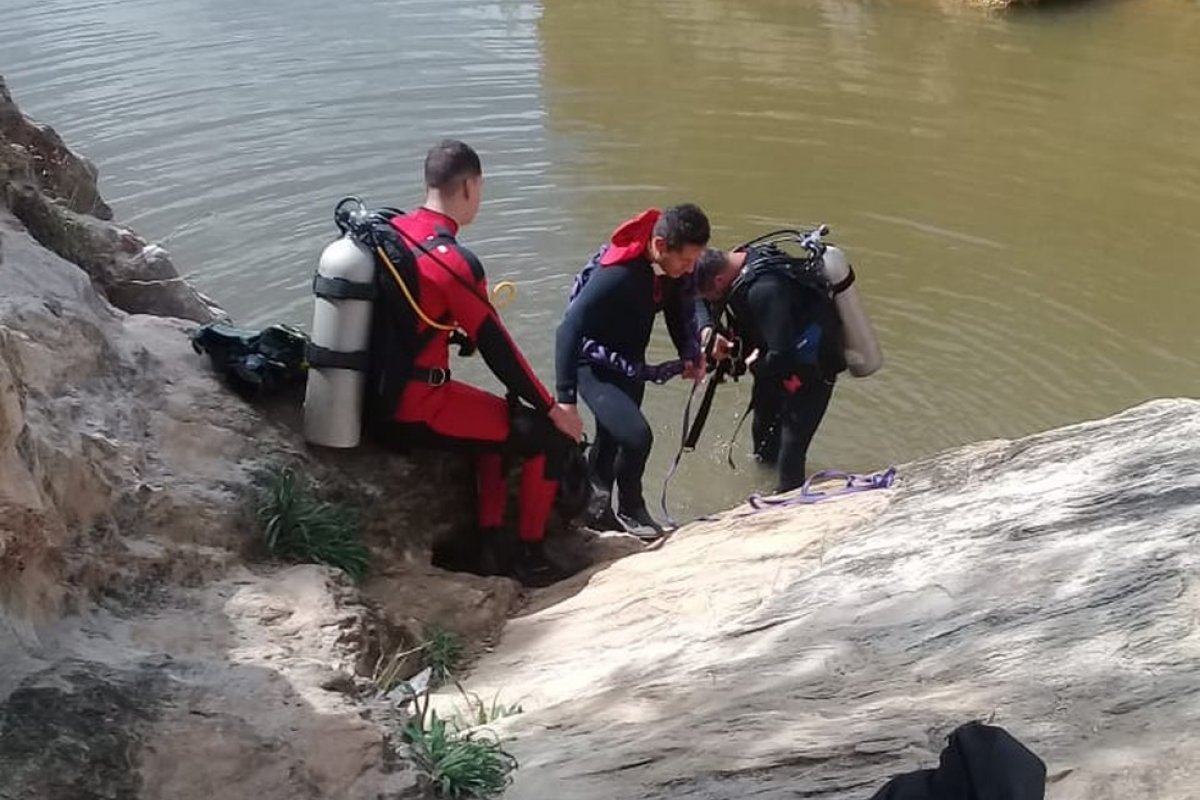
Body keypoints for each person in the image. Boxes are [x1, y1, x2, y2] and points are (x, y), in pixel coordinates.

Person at [376, 139, 584, 587]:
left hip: (377, 391)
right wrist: (554, 408)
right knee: (542, 436)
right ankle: (529, 557)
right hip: (417, 405)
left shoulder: (394, 229)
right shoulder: (455, 262)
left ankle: (489, 544)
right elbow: (499, 350)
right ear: (470, 186)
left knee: (496, 426)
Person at [555, 204, 711, 539]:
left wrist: (690, 354)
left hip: (628, 365)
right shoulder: (620, 273)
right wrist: (565, 399)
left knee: (611, 442)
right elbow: (568, 328)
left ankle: (595, 511)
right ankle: (631, 507)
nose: (690, 268)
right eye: (685, 260)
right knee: (637, 437)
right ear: (659, 245)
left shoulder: (668, 271)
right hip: (591, 364)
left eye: (695, 260)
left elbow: (675, 309)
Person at [693, 240, 848, 494]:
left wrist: (753, 364)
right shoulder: (735, 260)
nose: (709, 300)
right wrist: (707, 328)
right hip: (773, 357)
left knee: (791, 451)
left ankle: (790, 503)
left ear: (720, 281)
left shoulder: (765, 289)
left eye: (710, 294)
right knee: (762, 439)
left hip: (811, 368)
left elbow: (784, 355)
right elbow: (699, 300)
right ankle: (763, 488)